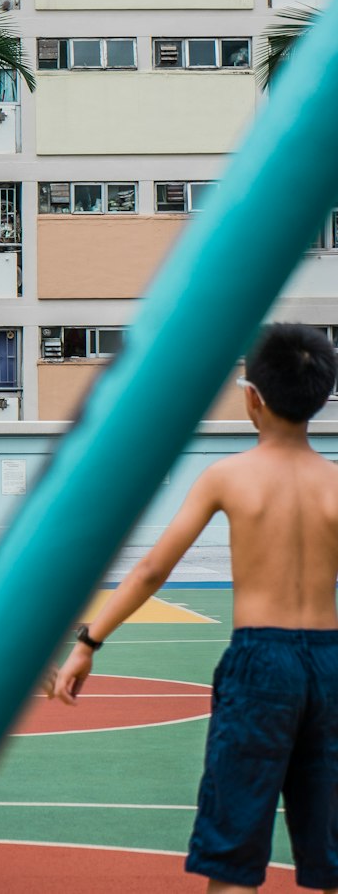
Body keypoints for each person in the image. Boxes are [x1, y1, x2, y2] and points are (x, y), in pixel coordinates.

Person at [53, 323, 338, 894]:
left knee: (232, 851)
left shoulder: (228, 477)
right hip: (330, 664)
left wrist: (88, 643)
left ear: (252, 396)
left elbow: (151, 570)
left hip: (263, 663)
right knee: (329, 850)